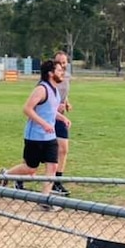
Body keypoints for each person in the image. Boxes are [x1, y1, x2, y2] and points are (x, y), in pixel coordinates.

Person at [0, 60, 64, 210]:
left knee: (52, 167)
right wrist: (44, 124)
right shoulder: (41, 89)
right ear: (50, 73)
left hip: (50, 137)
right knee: (30, 168)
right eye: (59, 70)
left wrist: (62, 118)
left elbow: (50, 111)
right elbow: (27, 109)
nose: (62, 73)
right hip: (35, 136)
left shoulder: (56, 90)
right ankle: (6, 174)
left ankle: (44, 200)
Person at [52, 50, 73, 196]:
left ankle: (57, 181)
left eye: (64, 62)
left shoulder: (67, 77)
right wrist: (56, 106)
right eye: (59, 62)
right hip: (48, 118)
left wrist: (66, 103)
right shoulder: (49, 78)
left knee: (63, 149)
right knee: (37, 158)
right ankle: (12, 175)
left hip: (61, 118)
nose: (62, 65)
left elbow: (64, 95)